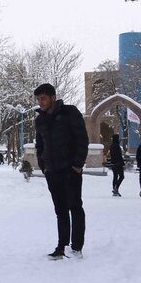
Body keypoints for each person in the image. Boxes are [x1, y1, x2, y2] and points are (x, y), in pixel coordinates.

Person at [33, 83, 88, 260]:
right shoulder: (40, 120)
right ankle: (61, 246)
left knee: (75, 206)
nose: (40, 102)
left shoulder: (70, 113)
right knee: (60, 209)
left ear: (52, 98)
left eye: (43, 98)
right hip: (52, 171)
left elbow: (82, 139)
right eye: (38, 99)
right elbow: (39, 145)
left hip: (70, 170)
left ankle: (77, 247)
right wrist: (44, 165)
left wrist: (77, 165)